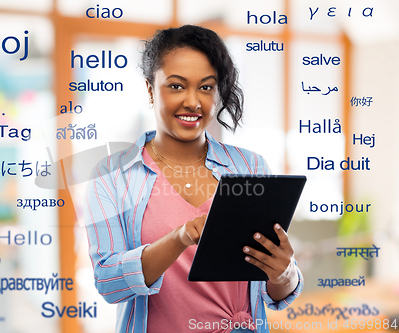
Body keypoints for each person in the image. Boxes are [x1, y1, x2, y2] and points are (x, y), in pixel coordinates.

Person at [84, 25, 302, 333]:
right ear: (150, 89)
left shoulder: (251, 166)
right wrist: (178, 238)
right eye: (176, 86)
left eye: (206, 87)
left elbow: (272, 293)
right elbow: (109, 284)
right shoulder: (112, 177)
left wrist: (283, 274)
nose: (193, 102)